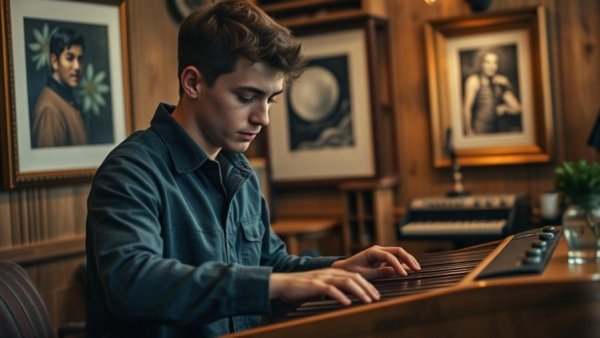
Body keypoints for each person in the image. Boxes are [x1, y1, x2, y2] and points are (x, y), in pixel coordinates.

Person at [85, 1, 421, 337]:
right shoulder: (130, 171)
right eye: (247, 97)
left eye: (271, 99)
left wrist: (336, 268)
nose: (263, 118)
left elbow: (269, 265)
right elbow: (133, 284)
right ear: (193, 83)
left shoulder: (239, 171)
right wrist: (271, 285)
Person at [32, 27, 87, 147]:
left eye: (80, 59)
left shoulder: (67, 101)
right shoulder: (49, 111)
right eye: (69, 58)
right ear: (54, 61)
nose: (77, 66)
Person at [462, 49, 522, 136]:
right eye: (487, 62)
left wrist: (505, 108)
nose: (492, 66)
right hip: (480, 129)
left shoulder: (500, 81)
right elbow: (466, 108)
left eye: (495, 63)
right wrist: (468, 131)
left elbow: (517, 109)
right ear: (481, 64)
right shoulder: (473, 81)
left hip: (498, 129)